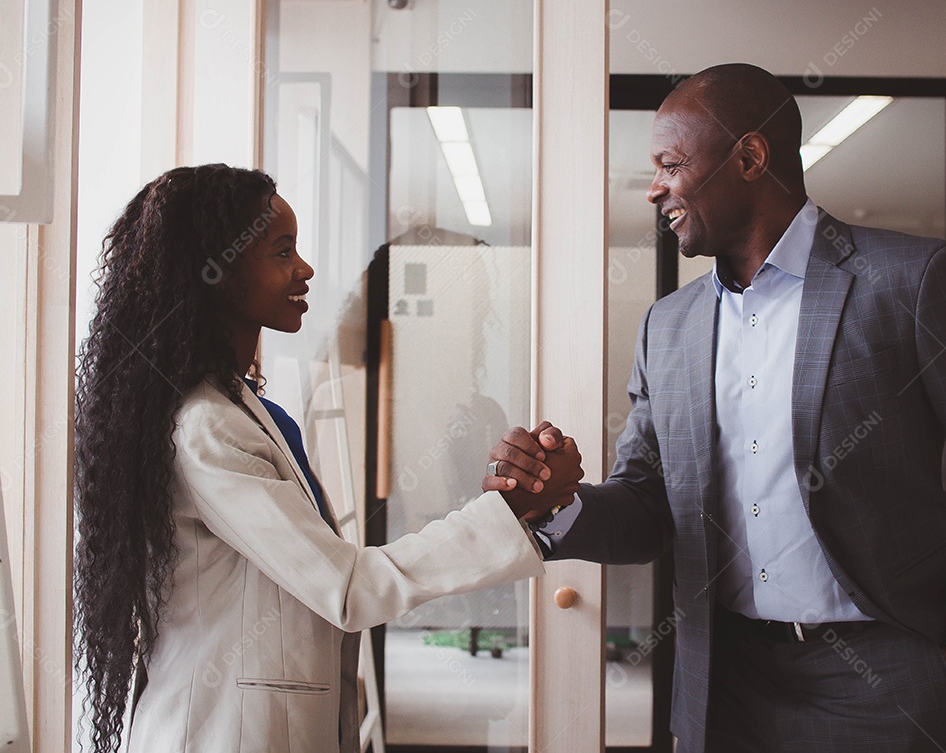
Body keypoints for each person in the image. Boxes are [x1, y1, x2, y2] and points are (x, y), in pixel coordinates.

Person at [485, 64, 946, 753]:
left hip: (890, 685)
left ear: (751, 157)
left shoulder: (908, 282)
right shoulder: (668, 326)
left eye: (671, 162)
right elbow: (646, 506)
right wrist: (562, 500)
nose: (654, 188)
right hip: (723, 685)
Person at [73, 164, 580, 753]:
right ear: (214, 273)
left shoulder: (245, 407)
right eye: (281, 251)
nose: (305, 269)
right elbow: (347, 587)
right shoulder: (206, 428)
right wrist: (510, 508)